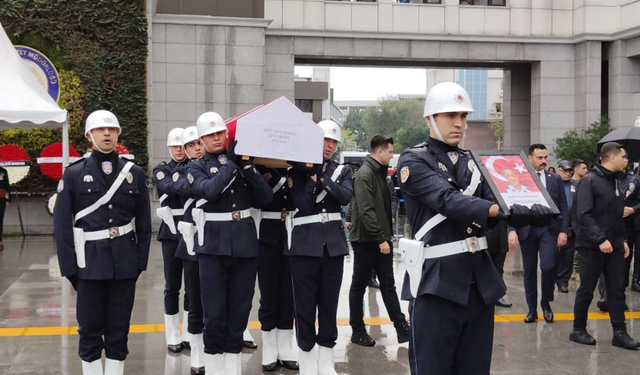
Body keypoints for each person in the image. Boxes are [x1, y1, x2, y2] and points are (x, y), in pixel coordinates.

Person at [397, 82, 552, 375]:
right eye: (450, 116)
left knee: (475, 368)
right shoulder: (414, 160)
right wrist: (498, 209)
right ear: (430, 119)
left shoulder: (476, 162)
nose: (459, 123)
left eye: (463, 116)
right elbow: (447, 200)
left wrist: (528, 211)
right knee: (433, 369)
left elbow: (500, 200)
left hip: (479, 283)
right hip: (437, 283)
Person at [54, 110, 151, 375]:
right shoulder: (73, 174)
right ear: (89, 135)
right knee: (90, 329)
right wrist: (71, 269)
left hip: (124, 262)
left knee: (119, 329)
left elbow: (144, 223)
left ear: (118, 133)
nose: (106, 133)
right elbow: (62, 226)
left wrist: (138, 263)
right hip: (89, 264)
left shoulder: (135, 173)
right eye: (100, 129)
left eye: (111, 129)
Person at [187, 112, 273, 374]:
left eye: (220, 133)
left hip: (244, 245)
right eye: (210, 135)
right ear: (200, 141)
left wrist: (247, 167)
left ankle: (232, 368)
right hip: (213, 246)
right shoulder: (196, 167)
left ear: (227, 134)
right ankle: (213, 367)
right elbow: (210, 191)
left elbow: (266, 197)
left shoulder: (243, 164)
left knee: (239, 311)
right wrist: (232, 165)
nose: (216, 138)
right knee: (214, 314)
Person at [288, 119, 353, 375]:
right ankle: (306, 362)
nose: (329, 145)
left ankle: (326, 364)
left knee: (329, 306)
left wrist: (322, 177)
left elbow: (345, 196)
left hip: (333, 247)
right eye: (325, 139)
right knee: (304, 307)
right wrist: (312, 176)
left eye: (333, 141)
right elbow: (303, 205)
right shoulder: (295, 171)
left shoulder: (343, 171)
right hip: (304, 246)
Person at [570, 142, 639, 350]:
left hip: (616, 244)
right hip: (592, 245)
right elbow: (583, 215)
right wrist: (600, 239)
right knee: (587, 289)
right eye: (623, 157)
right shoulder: (589, 181)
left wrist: (624, 240)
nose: (626, 160)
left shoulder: (618, 181)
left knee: (617, 289)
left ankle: (620, 332)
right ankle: (578, 329)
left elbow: (617, 216)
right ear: (612, 157)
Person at [348, 134, 410, 347]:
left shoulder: (380, 173)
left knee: (388, 285)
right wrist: (380, 239)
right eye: (391, 152)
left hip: (381, 238)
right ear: (380, 151)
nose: (392, 156)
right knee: (359, 286)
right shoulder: (365, 174)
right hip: (367, 240)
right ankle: (357, 330)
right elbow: (366, 211)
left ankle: (401, 327)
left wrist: (385, 236)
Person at [508, 144, 569, 324]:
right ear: (530, 158)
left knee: (549, 267)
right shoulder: (520, 178)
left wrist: (563, 230)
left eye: (545, 157)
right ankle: (532, 308)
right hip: (526, 229)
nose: (544, 161)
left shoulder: (554, 179)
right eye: (540, 158)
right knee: (529, 271)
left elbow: (563, 206)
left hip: (548, 229)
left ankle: (546, 303)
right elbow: (511, 205)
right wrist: (511, 229)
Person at [255, 164, 299, 372]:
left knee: (288, 294)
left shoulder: (297, 168)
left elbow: (297, 199)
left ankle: (285, 345)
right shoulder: (258, 167)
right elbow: (260, 198)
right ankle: (270, 346)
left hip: (291, 233)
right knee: (269, 293)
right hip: (267, 234)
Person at [153, 127, 190, 354]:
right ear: (169, 147)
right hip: (171, 231)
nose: (178, 150)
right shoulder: (161, 169)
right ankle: (173, 334)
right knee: (172, 285)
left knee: (192, 287)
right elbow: (165, 186)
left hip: (191, 229)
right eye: (174, 146)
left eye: (181, 145)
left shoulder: (196, 167)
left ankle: (188, 332)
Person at [173, 126, 206, 375]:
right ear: (185, 149)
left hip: (216, 243)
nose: (197, 147)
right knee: (195, 300)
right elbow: (187, 189)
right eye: (191, 144)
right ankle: (197, 351)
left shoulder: (219, 168)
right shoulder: (183, 173)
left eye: (199, 142)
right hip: (193, 243)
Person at [555, 160, 577, 293]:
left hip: (571, 226)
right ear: (559, 170)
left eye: (570, 171)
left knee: (568, 257)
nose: (567, 173)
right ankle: (553, 278)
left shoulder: (576, 185)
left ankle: (563, 281)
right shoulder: (553, 184)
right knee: (553, 256)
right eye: (565, 171)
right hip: (555, 226)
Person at [487, 220, 511, 307]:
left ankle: (498, 295)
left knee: (499, 266)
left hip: (501, 231)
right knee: (484, 265)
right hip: (485, 229)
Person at [0, 161, 9, 252]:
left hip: (1, 200)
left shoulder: (3, 171)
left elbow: (6, 186)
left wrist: (7, 199)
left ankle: (0, 241)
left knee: (0, 220)